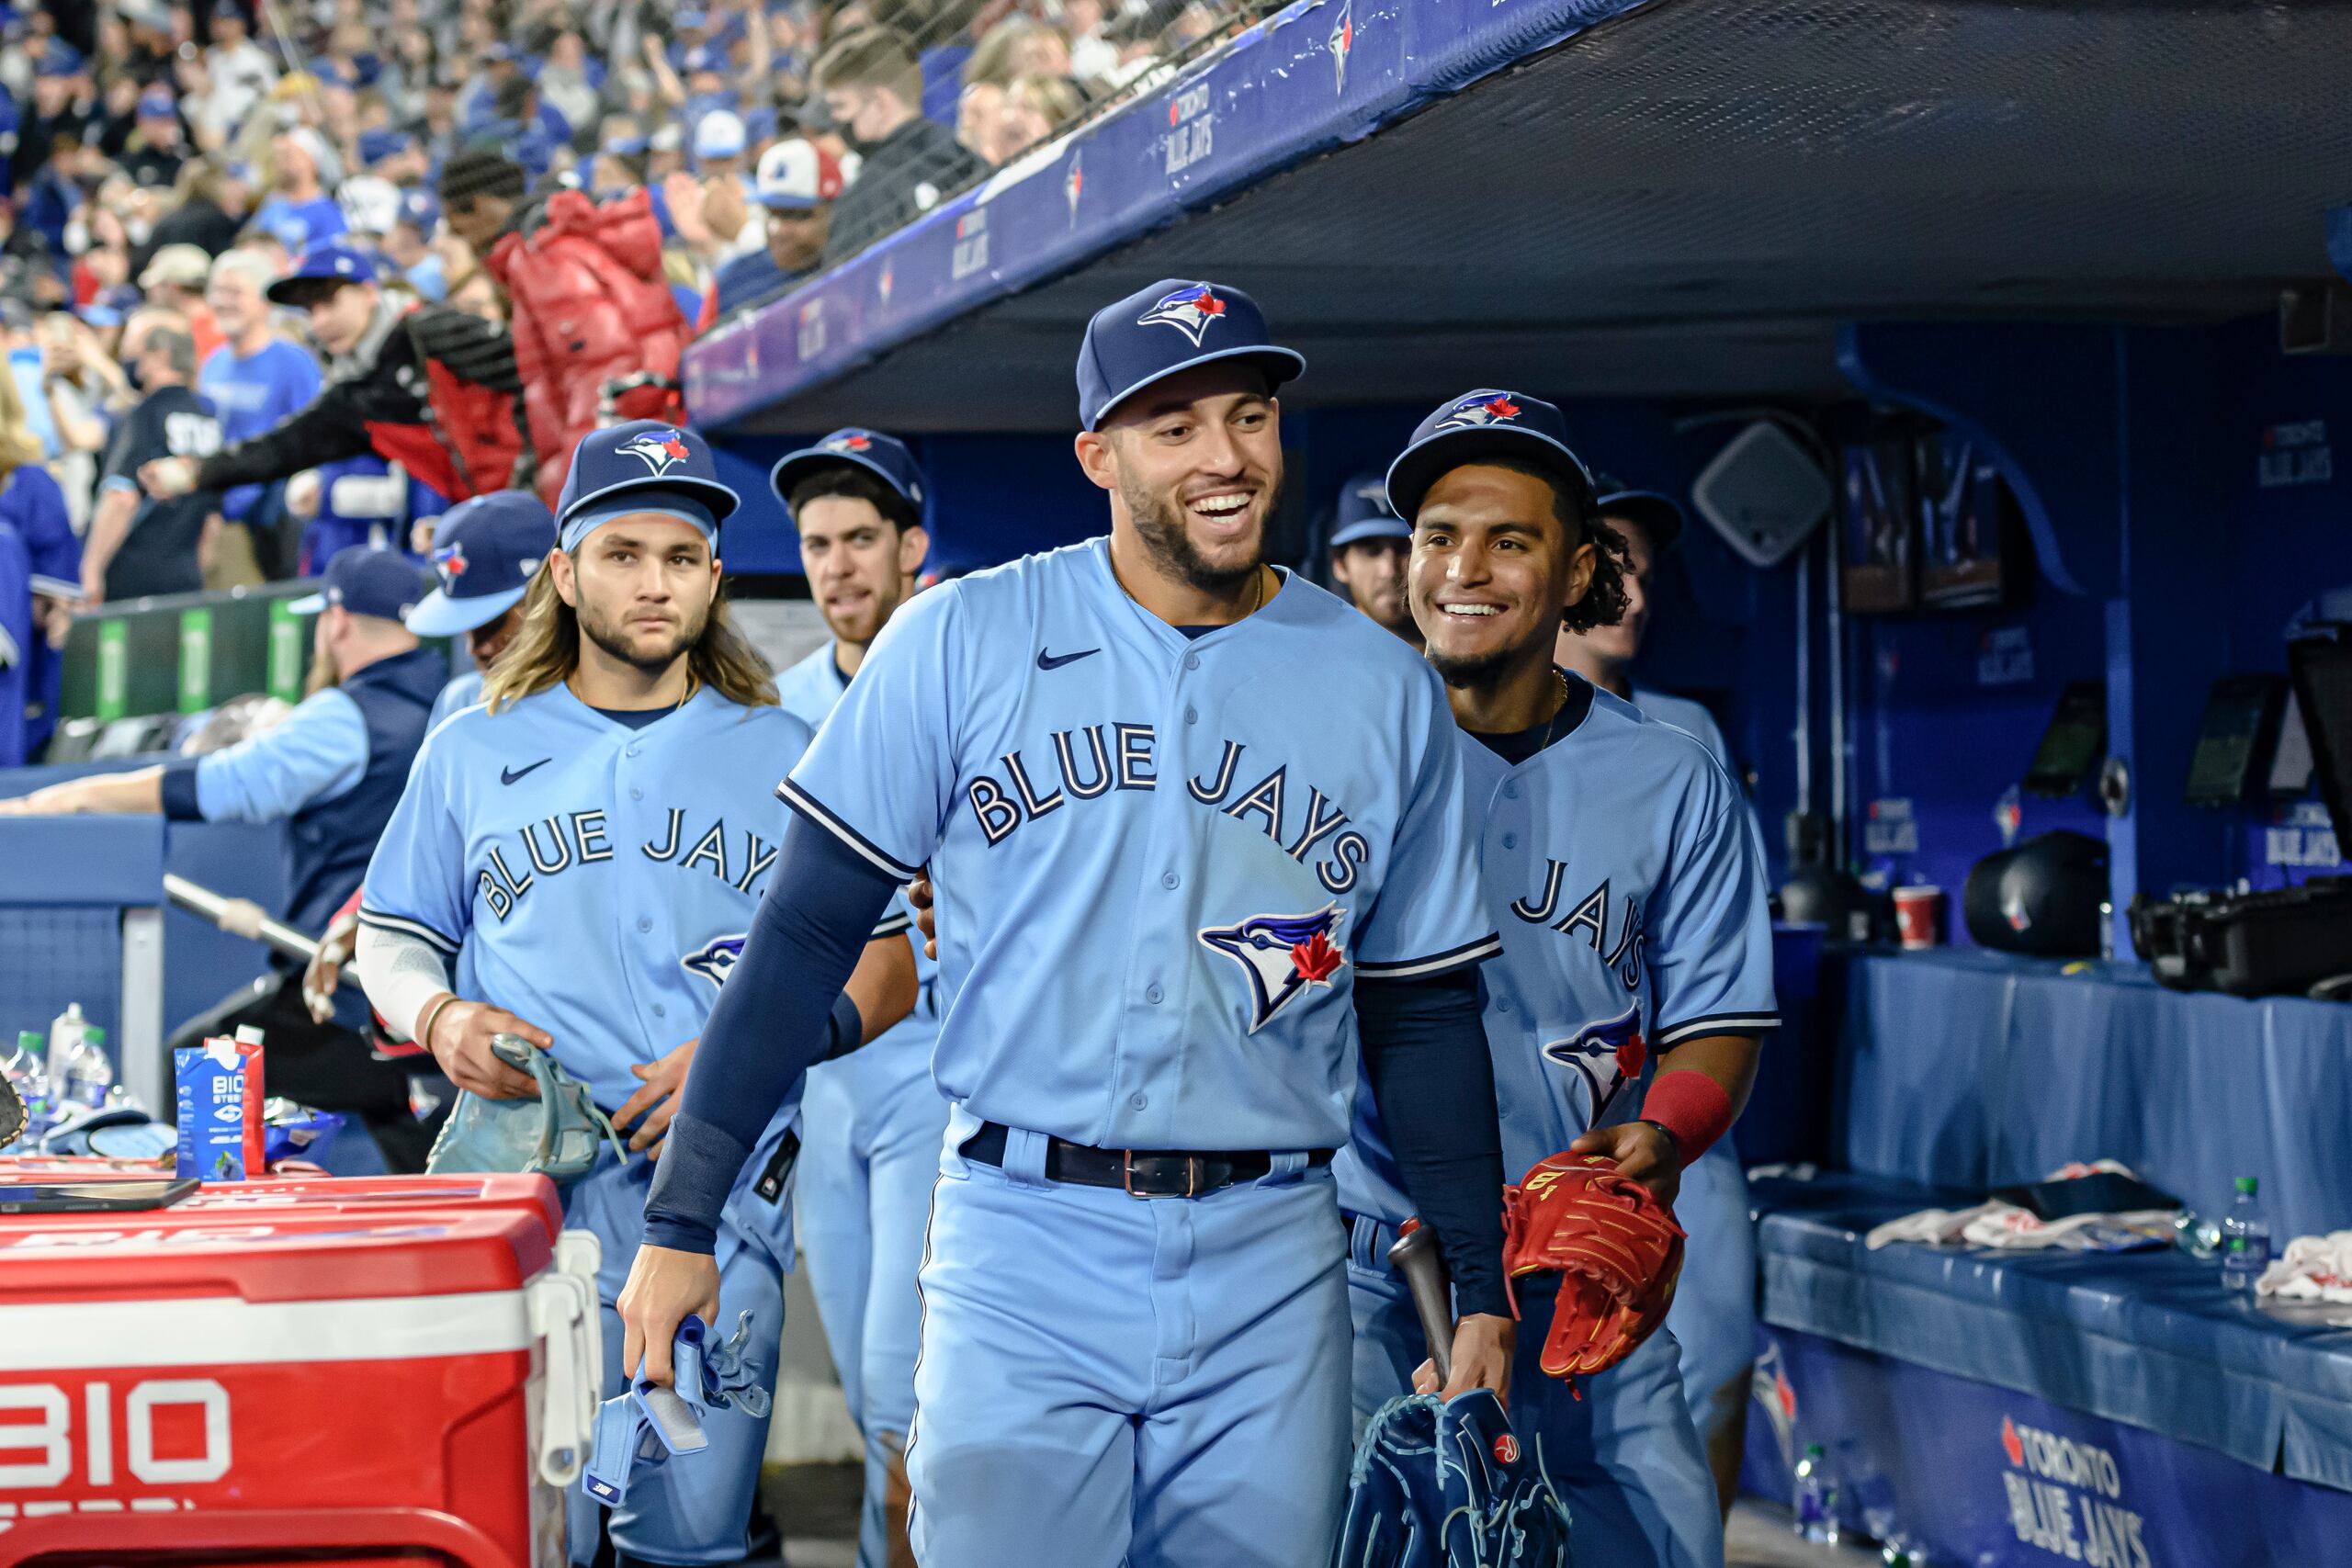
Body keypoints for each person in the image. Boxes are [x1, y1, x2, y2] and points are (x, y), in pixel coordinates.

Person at [618, 279, 1512, 1568]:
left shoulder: (1381, 684)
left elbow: (1422, 1007)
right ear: (1097, 455)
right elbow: (805, 934)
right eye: (1176, 426)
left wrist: (1478, 1282)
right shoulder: (965, 637)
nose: (1226, 455)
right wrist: (680, 1221)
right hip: (1024, 1233)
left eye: (1249, 414)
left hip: (1275, 1247)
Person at [353, 422, 919, 1564]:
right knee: (516, 1531)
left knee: (690, 1540)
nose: (652, 583)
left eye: (679, 556)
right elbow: (392, 936)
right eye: (621, 554)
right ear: (564, 573)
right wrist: (439, 1014)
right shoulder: (473, 746)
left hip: (715, 1208)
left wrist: (752, 1053)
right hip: (521, 1205)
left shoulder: (787, 750)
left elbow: (892, 964)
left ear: (715, 577)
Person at [1340, 390, 1777, 1568]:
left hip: (1576, 1259)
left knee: (1659, 1541)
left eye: (1508, 540)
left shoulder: (1670, 776)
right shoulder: (1336, 755)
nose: (1462, 568)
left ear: (1579, 568)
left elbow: (1717, 1019)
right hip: (1364, 1257)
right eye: (1438, 535)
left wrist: (1663, 1139)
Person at [0, 546, 450, 1169]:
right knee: (417, 1135)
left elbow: (215, 786)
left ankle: (194, 1237)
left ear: (337, 621)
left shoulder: (344, 717)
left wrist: (74, 795)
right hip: (427, 995)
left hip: (353, 998)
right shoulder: (451, 703)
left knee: (206, 1069)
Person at [1557, 475, 1763, 1515]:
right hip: (1534, 1125)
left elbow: (1722, 964)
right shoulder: (1441, 721)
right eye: (1611, 564)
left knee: (1714, 1353)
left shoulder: (1684, 732)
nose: (1632, 594)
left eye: (1645, 569)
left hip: (1664, 1105)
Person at [768, 428, 939, 1568]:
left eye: (861, 540)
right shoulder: (775, 709)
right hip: (824, 1086)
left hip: (936, 1069)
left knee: (903, 1386)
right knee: (878, 1400)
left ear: (910, 547)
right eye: (818, 545)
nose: (838, 566)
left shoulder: (963, 678)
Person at [140, 240, 526, 510]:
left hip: (541, 497)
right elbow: (284, 447)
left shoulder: (430, 333)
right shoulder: (354, 394)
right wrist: (199, 469)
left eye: (329, 302)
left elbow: (530, 377)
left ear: (369, 292)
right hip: (492, 510)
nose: (320, 321)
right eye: (310, 311)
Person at [196, 247, 321, 579]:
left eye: (235, 292)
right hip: (218, 514)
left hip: (273, 522)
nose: (223, 301)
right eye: (218, 291)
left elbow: (315, 438)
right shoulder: (212, 363)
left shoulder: (294, 362)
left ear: (265, 301)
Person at [82, 310, 220, 603]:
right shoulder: (209, 416)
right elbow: (213, 517)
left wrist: (91, 569)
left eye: (139, 354)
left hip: (133, 573)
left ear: (160, 356)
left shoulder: (143, 415)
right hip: (185, 572)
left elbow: (121, 497)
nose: (134, 364)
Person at [815, 27, 982, 265]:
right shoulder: (965, 157)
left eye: (840, 106)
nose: (835, 120)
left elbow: (843, 297)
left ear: (881, 102)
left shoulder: (864, 200)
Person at [407, 488, 557, 729]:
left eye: (491, 624)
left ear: (549, 595)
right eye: (467, 628)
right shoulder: (461, 703)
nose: (475, 648)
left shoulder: (614, 695)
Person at [710, 137, 846, 320]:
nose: (778, 230)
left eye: (798, 215)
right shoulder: (733, 280)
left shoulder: (852, 269)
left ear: (833, 212)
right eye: (772, 214)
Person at [1327, 471, 1416, 648]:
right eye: (1371, 551)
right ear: (1340, 564)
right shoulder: (1320, 659)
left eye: (1404, 548)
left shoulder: (1463, 660)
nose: (1389, 570)